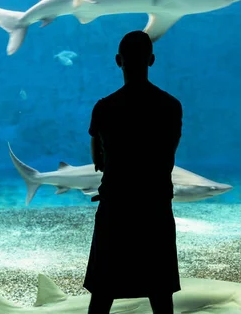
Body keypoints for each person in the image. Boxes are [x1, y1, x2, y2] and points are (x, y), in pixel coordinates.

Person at [84, 30, 183, 314]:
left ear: (118, 61)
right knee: (161, 295)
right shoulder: (170, 106)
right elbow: (168, 153)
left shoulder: (104, 108)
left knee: (102, 294)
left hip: (116, 209)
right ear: (151, 59)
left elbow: (98, 160)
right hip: (155, 210)